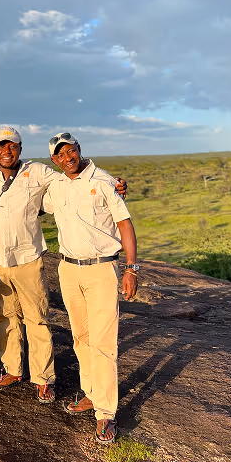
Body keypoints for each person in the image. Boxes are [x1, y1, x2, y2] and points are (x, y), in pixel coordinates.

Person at [0, 126, 126, 404]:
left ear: (20, 149)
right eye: (2, 146)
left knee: (37, 318)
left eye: (13, 146)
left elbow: (76, 176)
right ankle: (12, 369)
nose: (7, 151)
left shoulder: (39, 171)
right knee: (4, 317)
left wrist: (114, 183)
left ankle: (43, 378)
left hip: (29, 257)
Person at [43, 132, 138, 444]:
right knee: (81, 339)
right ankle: (92, 393)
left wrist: (131, 268)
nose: (68, 157)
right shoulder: (56, 185)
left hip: (101, 269)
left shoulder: (106, 180)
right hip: (69, 269)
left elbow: (124, 224)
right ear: (54, 160)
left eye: (72, 151)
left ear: (79, 150)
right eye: (61, 154)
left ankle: (106, 413)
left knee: (103, 343)